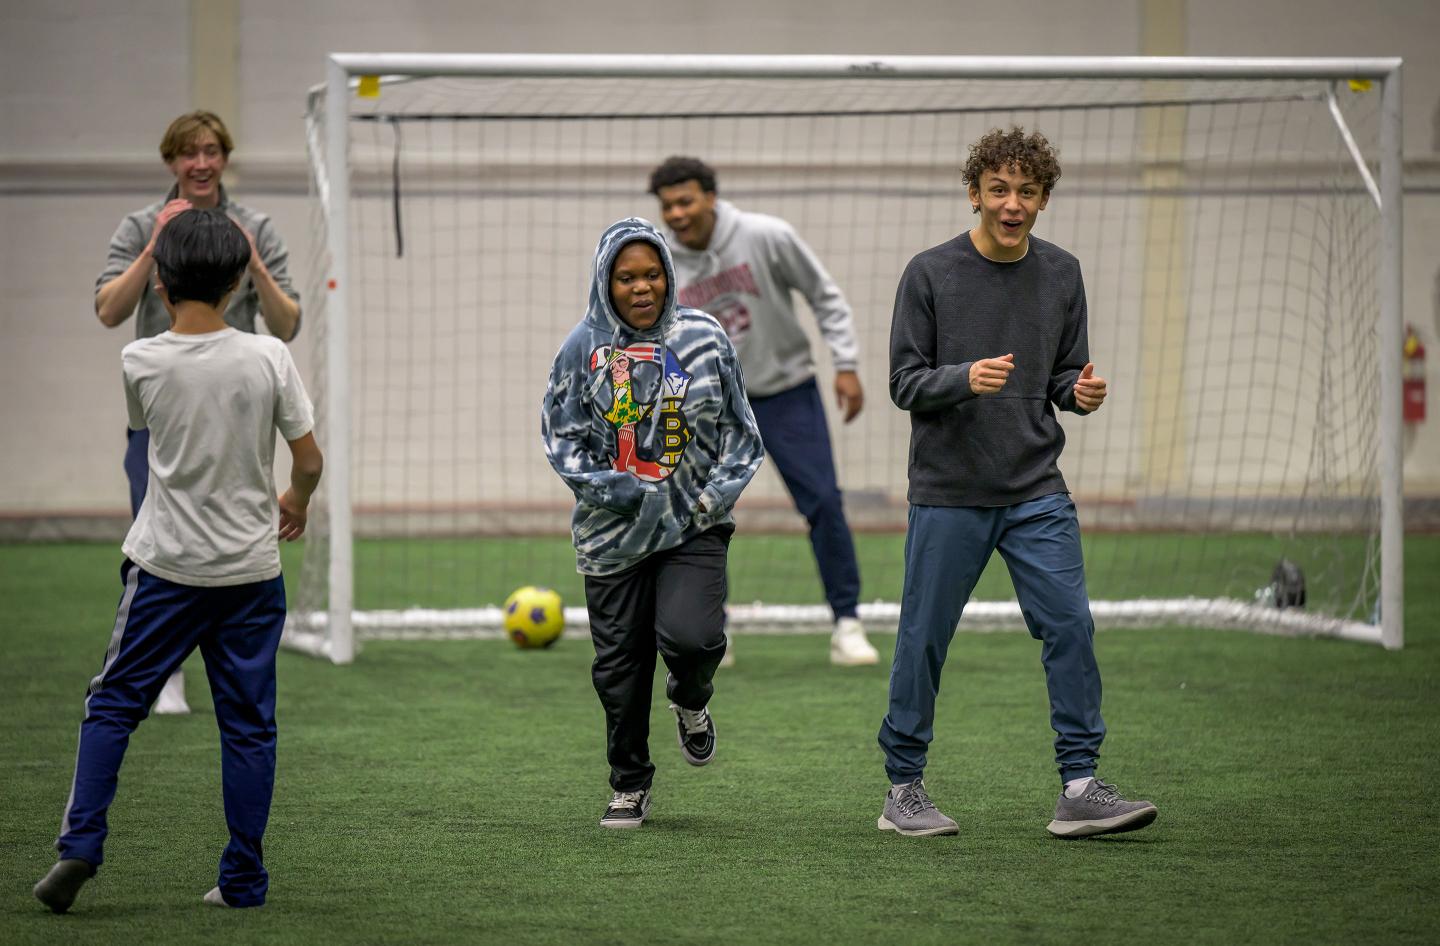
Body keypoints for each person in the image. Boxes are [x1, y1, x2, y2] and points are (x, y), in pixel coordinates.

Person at [34, 209, 322, 912]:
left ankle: (80, 847)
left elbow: (146, 437)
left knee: (112, 706)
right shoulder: (270, 356)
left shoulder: (139, 361)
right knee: (249, 727)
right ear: (236, 284)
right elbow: (309, 461)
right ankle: (244, 881)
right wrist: (295, 500)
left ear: (160, 283)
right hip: (251, 573)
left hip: (165, 568)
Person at [877, 128, 1157, 839]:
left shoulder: (1063, 274)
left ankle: (1081, 786)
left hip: (1036, 488)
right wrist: (962, 379)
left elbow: (1064, 375)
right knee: (924, 640)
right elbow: (904, 383)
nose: (1012, 204)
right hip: (949, 492)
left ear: (1043, 200)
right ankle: (903, 791)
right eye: (998, 190)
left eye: (1026, 192)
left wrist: (1079, 393)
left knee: (1070, 625)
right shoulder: (929, 274)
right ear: (974, 193)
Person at [542, 217, 764, 829]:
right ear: (604, 282)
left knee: (691, 639)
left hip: (694, 525)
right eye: (626, 278)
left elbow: (743, 436)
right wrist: (621, 492)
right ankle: (629, 784)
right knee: (619, 670)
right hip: (612, 538)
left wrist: (711, 499)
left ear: (669, 276)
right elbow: (560, 440)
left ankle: (690, 701)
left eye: (652, 274)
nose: (642, 288)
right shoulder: (581, 350)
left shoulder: (706, 338)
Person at [94, 110, 302, 715]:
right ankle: (162, 669)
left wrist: (254, 262)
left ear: (225, 158)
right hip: (164, 415)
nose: (202, 163)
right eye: (189, 154)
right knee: (154, 534)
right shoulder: (139, 226)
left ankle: (235, 662)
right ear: (171, 163)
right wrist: (156, 245)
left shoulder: (256, 225)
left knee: (239, 536)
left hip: (240, 416)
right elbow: (108, 310)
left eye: (212, 151)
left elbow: (287, 324)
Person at [649, 156, 878, 667]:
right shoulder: (661, 262)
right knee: (700, 514)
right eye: (667, 206)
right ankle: (713, 633)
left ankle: (847, 623)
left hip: (787, 391)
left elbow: (826, 297)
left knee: (822, 503)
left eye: (685, 201)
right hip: (709, 406)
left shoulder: (767, 236)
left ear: (711, 196)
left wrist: (846, 364)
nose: (677, 214)